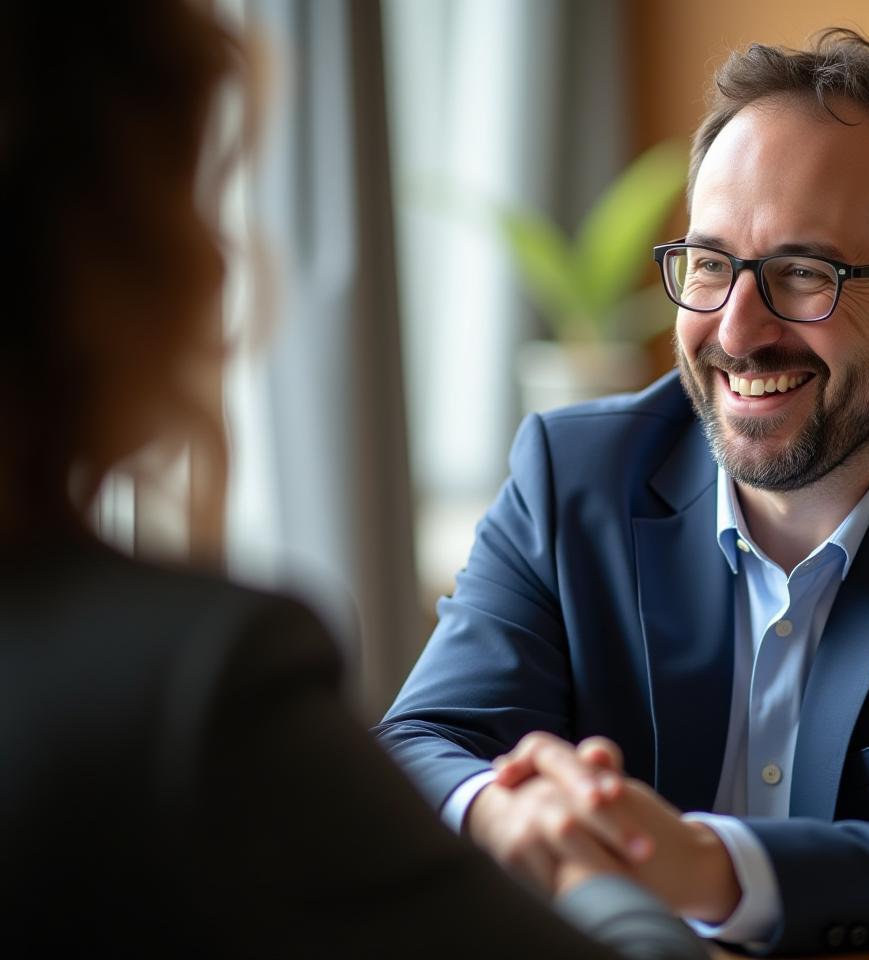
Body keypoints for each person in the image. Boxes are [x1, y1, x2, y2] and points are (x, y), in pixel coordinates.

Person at [377, 27, 869, 957]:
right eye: (710, 265)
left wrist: (696, 863)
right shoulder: (574, 475)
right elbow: (425, 739)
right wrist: (504, 815)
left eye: (806, 273)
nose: (738, 331)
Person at [0, 3, 710, 958]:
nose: (222, 255)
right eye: (199, 193)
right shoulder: (199, 686)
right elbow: (424, 737)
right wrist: (592, 864)